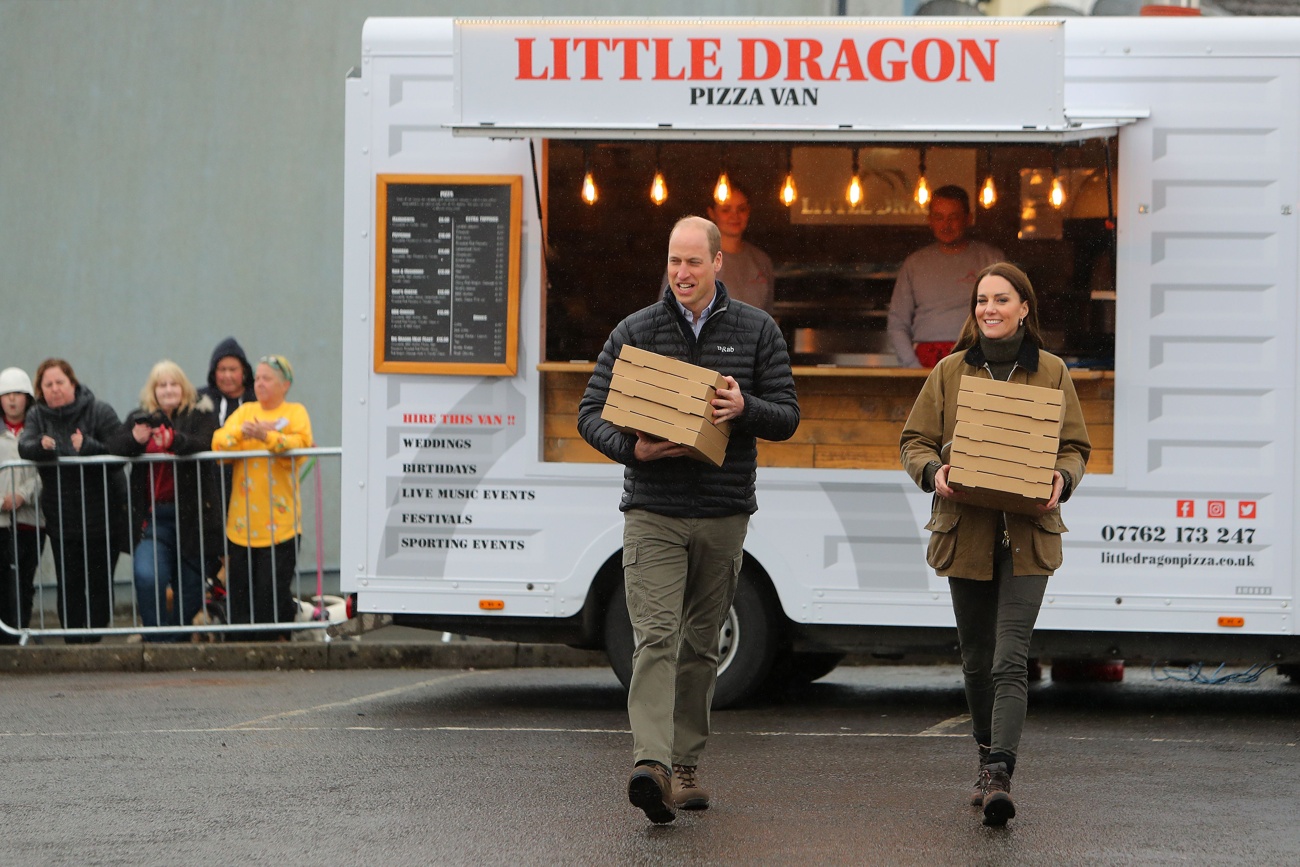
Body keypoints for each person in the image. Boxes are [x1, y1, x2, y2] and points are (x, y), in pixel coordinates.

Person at [579, 215, 800, 824]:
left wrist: (744, 406)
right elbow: (590, 412)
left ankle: (685, 767)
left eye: (693, 262)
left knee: (702, 644)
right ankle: (651, 764)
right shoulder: (636, 331)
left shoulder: (757, 331)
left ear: (717, 263)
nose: (681, 273)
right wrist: (633, 449)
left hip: (724, 512)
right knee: (654, 636)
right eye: (674, 262)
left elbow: (787, 415)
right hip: (654, 510)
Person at [899, 262, 1090, 827]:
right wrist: (933, 472)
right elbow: (913, 440)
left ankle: (1001, 772)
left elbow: (1075, 447)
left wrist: (1064, 478)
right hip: (967, 534)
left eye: (1002, 299)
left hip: (1029, 538)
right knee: (977, 661)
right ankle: (986, 760)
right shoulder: (950, 372)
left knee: (1010, 658)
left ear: (1024, 308)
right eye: (982, 300)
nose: (990, 309)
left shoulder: (1053, 373)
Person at [17, 359, 129, 643]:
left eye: (60, 383)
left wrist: (90, 447)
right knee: (69, 584)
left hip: (103, 515)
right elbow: (24, 446)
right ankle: (72, 643)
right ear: (40, 390)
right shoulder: (37, 416)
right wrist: (40, 446)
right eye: (48, 385)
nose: (55, 389)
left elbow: (120, 449)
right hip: (62, 517)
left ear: (73, 384)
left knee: (99, 583)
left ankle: (94, 642)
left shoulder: (98, 410)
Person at [110, 361, 221, 641]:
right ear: (153, 390)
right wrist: (135, 440)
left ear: (184, 388)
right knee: (147, 575)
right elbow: (114, 448)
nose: (168, 389)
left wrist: (175, 440)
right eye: (162, 384)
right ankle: (157, 638)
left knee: (191, 585)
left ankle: (175, 640)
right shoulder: (141, 416)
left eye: (174, 384)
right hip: (153, 517)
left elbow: (204, 443)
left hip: (193, 517)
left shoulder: (201, 415)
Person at [211, 355, 312, 639]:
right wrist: (248, 435)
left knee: (272, 588)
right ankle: (241, 643)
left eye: (267, 378)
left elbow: (300, 446)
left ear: (285, 384)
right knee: (240, 590)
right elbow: (219, 442)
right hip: (243, 524)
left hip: (281, 523)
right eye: (257, 378)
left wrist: (268, 438)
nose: (260, 383)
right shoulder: (246, 412)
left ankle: (272, 641)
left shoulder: (295, 412)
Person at [887, 185, 1003, 368]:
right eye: (939, 217)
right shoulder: (915, 264)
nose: (946, 225)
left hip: (979, 358)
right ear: (930, 220)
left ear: (968, 219)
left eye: (953, 217)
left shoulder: (991, 259)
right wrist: (912, 366)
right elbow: (897, 323)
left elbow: (1010, 315)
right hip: (926, 360)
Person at [659, 186, 776, 313]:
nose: (735, 216)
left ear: (749, 211)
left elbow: (767, 315)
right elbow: (667, 313)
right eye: (726, 210)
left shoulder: (761, 261)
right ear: (712, 213)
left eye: (741, 209)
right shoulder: (689, 257)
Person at [0, 367, 42, 644]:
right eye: (6, 394)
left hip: (32, 519)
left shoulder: (38, 429)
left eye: (18, 393)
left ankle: (21, 631)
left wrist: (23, 495)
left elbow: (45, 472)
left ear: (28, 397)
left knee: (24, 580)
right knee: (4, 579)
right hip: (2, 521)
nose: (12, 400)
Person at [198, 337, 256, 426]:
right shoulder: (200, 400)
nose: (227, 376)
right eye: (222, 370)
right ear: (214, 373)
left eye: (233, 370)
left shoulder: (258, 399)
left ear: (244, 371)